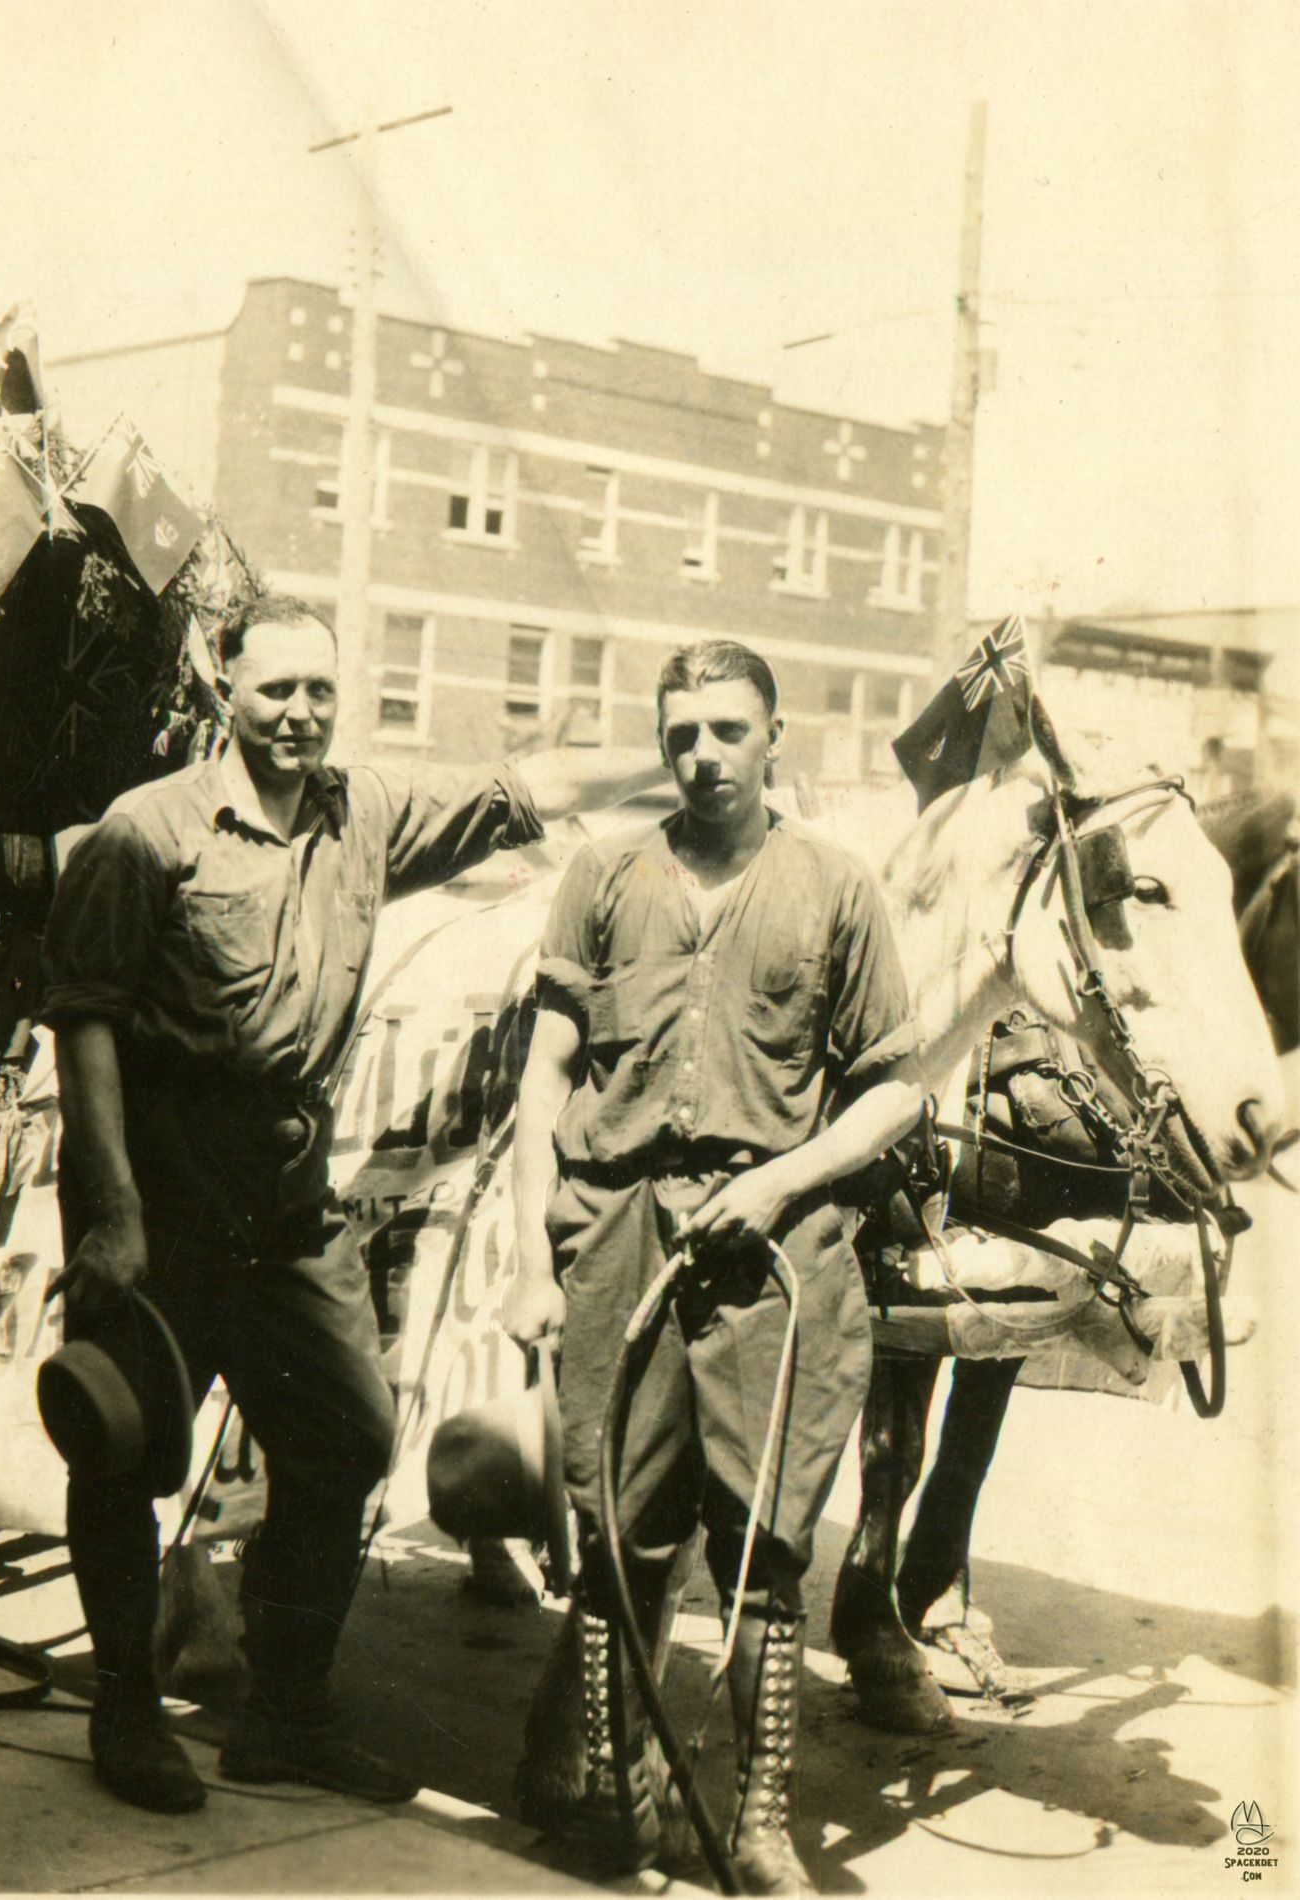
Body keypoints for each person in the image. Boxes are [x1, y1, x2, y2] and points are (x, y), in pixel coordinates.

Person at [37, 593, 665, 1817]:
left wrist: (672, 752)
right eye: (277, 690)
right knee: (126, 1446)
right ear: (227, 690)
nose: (302, 714)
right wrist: (113, 1209)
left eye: (321, 690)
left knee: (347, 1435)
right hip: (161, 1176)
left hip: (285, 1195)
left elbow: (521, 785)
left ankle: (283, 1715)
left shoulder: (360, 812)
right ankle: (124, 1702)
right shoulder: (145, 830)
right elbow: (86, 1020)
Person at [502, 639, 925, 1894]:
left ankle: (755, 1824)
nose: (703, 756)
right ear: (662, 738)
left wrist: (783, 1181)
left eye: (728, 731)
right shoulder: (602, 874)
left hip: (772, 1245)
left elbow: (896, 1089)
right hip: (618, 1226)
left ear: (772, 735)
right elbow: (542, 1080)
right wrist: (534, 1260)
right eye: (681, 733)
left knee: (765, 1542)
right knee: (614, 1531)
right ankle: (614, 1796)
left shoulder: (836, 887)